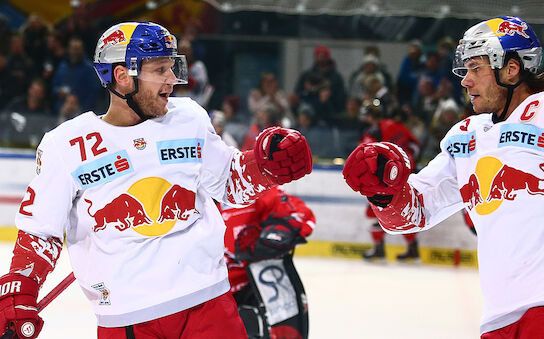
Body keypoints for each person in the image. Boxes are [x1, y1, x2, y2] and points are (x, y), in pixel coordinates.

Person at [0, 22, 313, 339]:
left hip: (209, 303)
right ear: (122, 76)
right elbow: (41, 231)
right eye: (160, 69)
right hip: (129, 319)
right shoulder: (67, 145)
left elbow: (229, 182)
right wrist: (19, 290)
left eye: (172, 66)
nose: (173, 79)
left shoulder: (188, 117)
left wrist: (264, 166)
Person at [343, 16, 544, 338]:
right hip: (499, 316)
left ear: (511, 69)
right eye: (465, 70)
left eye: (476, 69)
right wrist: (383, 188)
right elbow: (414, 213)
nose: (466, 81)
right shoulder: (466, 135)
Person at [220, 186, 315, 338]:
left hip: (255, 289)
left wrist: (279, 231)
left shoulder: (250, 190)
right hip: (207, 294)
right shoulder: (191, 197)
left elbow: (300, 213)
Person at [357, 101, 420, 261]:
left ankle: (379, 249)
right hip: (407, 174)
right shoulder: (399, 126)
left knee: (376, 211)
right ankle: (412, 248)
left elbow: (365, 156)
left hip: (386, 177)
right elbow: (415, 146)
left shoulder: (373, 131)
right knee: (404, 211)